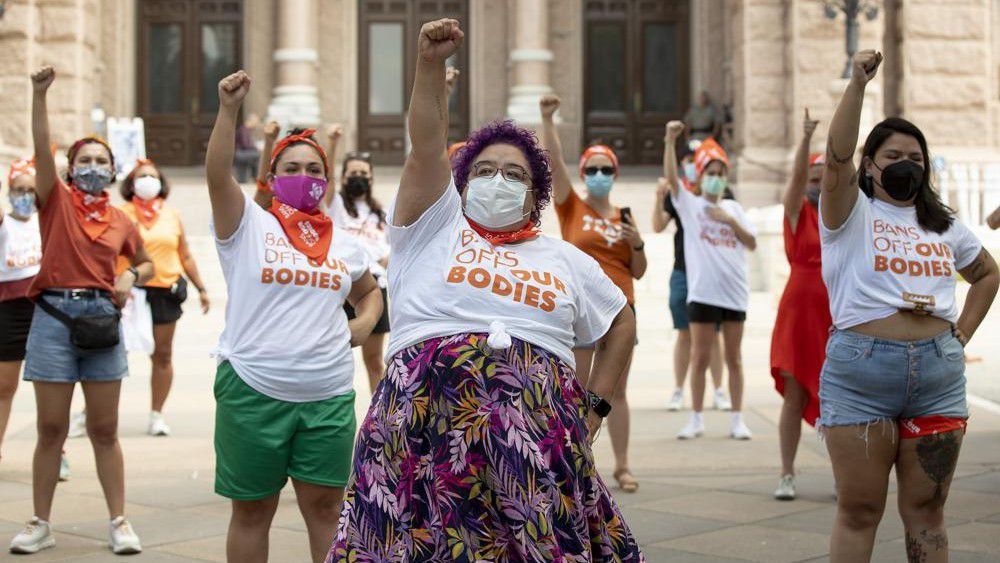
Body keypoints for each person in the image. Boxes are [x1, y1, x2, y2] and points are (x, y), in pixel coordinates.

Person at [328, 19, 643, 561]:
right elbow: (426, 144)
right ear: (463, 181)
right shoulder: (433, 226)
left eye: (516, 175)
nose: (498, 180)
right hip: (425, 434)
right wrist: (429, 65)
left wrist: (597, 405)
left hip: (534, 447)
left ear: (536, 194)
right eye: (486, 169)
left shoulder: (564, 258)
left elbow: (621, 322)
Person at [820, 50, 999, 563]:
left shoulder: (943, 223)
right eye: (894, 157)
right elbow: (835, 157)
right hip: (861, 375)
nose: (906, 166)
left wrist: (960, 334)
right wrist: (856, 84)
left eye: (916, 159)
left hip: (938, 377)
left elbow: (987, 274)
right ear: (870, 166)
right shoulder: (849, 211)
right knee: (860, 510)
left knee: (927, 510)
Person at [206, 70, 382, 563]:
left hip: (326, 396)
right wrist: (227, 110)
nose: (303, 176)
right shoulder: (247, 225)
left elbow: (370, 295)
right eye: (291, 167)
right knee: (254, 511)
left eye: (312, 168)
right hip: (252, 388)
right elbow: (217, 175)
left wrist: (363, 325)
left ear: (326, 180)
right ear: (272, 177)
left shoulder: (344, 243)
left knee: (327, 509)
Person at [10, 65, 154, 555]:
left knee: (105, 429)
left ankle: (119, 520)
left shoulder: (121, 219)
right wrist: (39, 95)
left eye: (101, 160)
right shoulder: (56, 203)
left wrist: (131, 275)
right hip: (52, 320)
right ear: (71, 169)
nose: (92, 166)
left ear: (113, 171)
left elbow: (148, 260)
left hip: (101, 323)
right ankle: (40, 522)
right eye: (84, 159)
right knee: (51, 429)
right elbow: (40, 143)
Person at [540, 94, 647, 494]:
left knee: (615, 389)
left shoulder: (625, 216)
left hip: (621, 309)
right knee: (575, 388)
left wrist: (637, 245)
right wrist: (547, 119)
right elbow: (553, 165)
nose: (600, 174)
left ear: (614, 174)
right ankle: (578, 462)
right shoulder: (572, 207)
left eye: (606, 169)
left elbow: (638, 271)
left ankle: (622, 466)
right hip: (582, 309)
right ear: (585, 173)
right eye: (593, 168)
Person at [664, 124, 756, 441]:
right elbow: (672, 181)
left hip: (734, 296)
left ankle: (737, 419)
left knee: (734, 358)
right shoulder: (691, 205)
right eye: (711, 171)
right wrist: (669, 141)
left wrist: (730, 220)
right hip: (703, 294)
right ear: (701, 175)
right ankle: (696, 417)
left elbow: (752, 243)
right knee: (700, 357)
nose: (716, 177)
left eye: (721, 172)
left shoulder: (734, 208)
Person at [117, 159, 210, 435]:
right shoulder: (121, 214)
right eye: (141, 176)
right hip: (129, 292)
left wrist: (201, 288)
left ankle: (156, 414)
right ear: (131, 183)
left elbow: (185, 255)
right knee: (111, 353)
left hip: (164, 291)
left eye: (152, 176)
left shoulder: (172, 215)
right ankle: (93, 410)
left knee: (162, 355)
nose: (147, 180)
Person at [769, 109, 832, 501]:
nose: (819, 186)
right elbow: (794, 183)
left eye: (826, 180)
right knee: (795, 395)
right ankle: (787, 473)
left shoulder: (840, 218)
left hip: (834, 311)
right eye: (814, 180)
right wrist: (806, 139)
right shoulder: (798, 212)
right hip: (799, 309)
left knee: (839, 398)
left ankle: (845, 476)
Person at [654, 146, 729, 413]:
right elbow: (658, 225)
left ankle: (719, 389)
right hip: (684, 271)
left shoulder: (721, 196)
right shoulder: (682, 195)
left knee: (715, 333)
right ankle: (678, 390)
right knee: (684, 333)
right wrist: (658, 196)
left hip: (710, 273)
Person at [328, 151, 391, 392]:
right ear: (343, 177)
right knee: (334, 353)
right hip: (343, 283)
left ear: (371, 178)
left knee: (374, 360)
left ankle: (380, 418)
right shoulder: (334, 205)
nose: (359, 177)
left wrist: (387, 259)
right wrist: (333, 144)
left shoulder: (380, 214)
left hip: (375, 286)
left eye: (364, 173)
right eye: (353, 173)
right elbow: (327, 180)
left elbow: (390, 246)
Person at [0, 159, 42, 462]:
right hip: (9, 310)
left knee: (52, 386)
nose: (25, 195)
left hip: (44, 307)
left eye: (30, 190)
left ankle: (56, 449)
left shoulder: (48, 220)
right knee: (4, 386)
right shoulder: (4, 223)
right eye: (18, 190)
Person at [233, 112, 261, 183]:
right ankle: (255, 177)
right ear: (250, 121)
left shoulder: (245, 130)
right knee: (257, 155)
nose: (256, 125)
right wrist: (255, 148)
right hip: (240, 154)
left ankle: (254, 177)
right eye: (256, 122)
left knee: (242, 179)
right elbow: (245, 145)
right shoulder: (243, 130)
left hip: (241, 153)